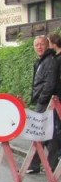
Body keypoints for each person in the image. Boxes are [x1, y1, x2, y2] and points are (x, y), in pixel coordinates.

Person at [27, 35, 60, 172]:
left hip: (46, 102)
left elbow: (50, 83)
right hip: (45, 101)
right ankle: (44, 165)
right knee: (48, 134)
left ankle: (38, 165)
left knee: (41, 132)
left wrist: (42, 99)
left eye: (42, 44)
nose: (39, 47)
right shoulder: (42, 61)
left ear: (48, 45)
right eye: (37, 45)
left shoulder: (49, 61)